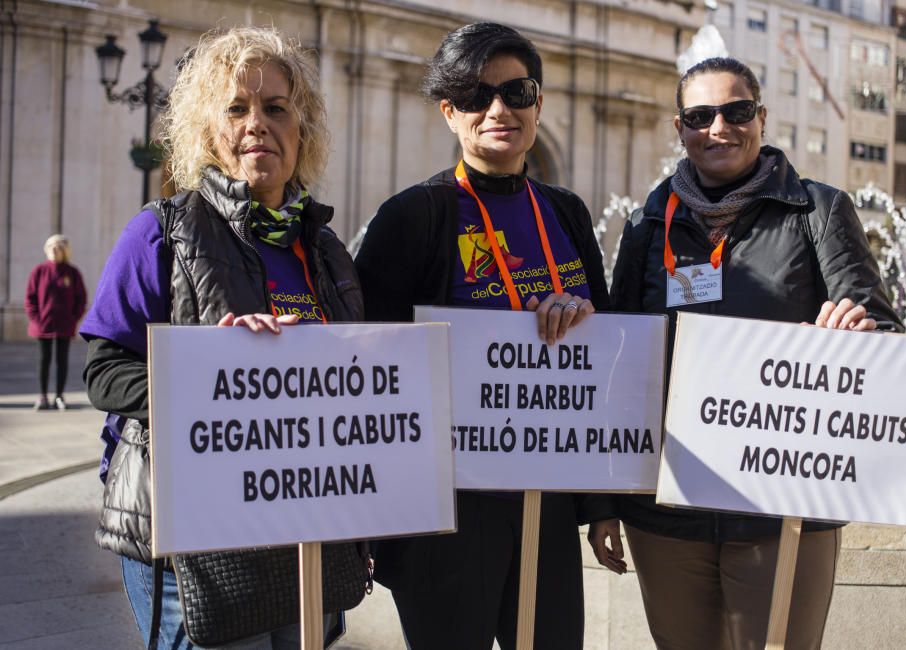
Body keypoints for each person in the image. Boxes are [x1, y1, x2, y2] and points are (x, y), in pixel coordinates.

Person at [588, 57, 903, 650]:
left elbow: (884, 332)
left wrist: (859, 335)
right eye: (700, 116)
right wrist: (605, 501)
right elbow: (618, 359)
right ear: (678, 128)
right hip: (667, 510)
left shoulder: (818, 210)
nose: (719, 128)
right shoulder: (647, 224)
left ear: (760, 118)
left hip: (782, 504)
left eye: (736, 112)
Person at [79, 27, 362, 649]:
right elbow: (104, 370)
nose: (256, 123)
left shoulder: (327, 250)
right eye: (236, 108)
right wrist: (212, 377)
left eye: (276, 108)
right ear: (209, 133)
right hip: (192, 539)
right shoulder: (160, 233)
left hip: (306, 521)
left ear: (303, 129)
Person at [354, 22, 610, 650]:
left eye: (517, 91)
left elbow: (610, 356)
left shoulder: (567, 212)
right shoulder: (411, 217)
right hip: (446, 513)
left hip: (543, 497)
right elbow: (367, 367)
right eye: (475, 95)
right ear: (449, 112)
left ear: (538, 103)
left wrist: (603, 502)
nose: (499, 108)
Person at [24, 234, 87, 411]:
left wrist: (73, 318)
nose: (54, 249)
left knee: (62, 360)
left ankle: (59, 395)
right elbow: (30, 297)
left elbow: (81, 299)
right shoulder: (39, 271)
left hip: (64, 325)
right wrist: (36, 318)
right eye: (51, 246)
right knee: (44, 360)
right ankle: (43, 396)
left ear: (64, 251)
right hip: (42, 325)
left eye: (58, 247)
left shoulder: (72, 273)